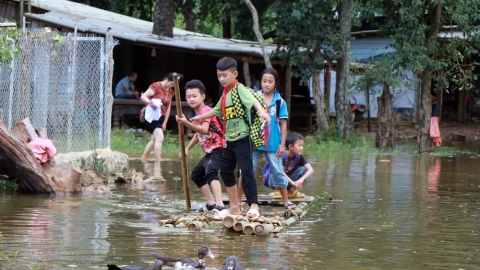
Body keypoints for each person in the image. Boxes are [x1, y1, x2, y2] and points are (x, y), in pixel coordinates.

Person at [191, 57, 270, 220]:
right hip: (228, 140)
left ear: (235, 74)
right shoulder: (225, 94)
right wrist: (200, 118)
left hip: (242, 137)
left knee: (246, 170)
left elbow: (253, 100)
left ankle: (253, 205)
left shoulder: (238, 88)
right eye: (219, 75)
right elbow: (216, 111)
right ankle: (234, 207)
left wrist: (262, 112)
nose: (221, 79)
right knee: (226, 171)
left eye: (224, 75)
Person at [237, 68, 295, 210]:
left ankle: (285, 201)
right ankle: (237, 200)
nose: (267, 84)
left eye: (270, 81)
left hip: (274, 143)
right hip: (255, 142)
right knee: (246, 170)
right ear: (260, 82)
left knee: (278, 171)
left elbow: (283, 123)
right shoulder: (254, 98)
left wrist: (283, 144)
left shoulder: (279, 102)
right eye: (264, 81)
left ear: (276, 84)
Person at [175, 79, 226, 212]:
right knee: (197, 174)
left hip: (219, 148)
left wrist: (185, 123)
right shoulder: (198, 113)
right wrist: (187, 148)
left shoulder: (205, 110)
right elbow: (199, 135)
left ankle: (220, 204)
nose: (191, 99)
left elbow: (203, 129)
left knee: (210, 172)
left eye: (194, 96)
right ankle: (210, 203)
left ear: (203, 96)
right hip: (210, 151)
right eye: (188, 97)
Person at [140, 73, 183, 161]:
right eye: (171, 84)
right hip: (152, 115)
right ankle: (158, 161)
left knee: (154, 139)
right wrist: (150, 103)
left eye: (173, 85)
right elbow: (143, 96)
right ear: (166, 79)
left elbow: (168, 107)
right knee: (160, 137)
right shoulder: (156, 86)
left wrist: (165, 122)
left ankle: (143, 158)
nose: (172, 86)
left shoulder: (171, 91)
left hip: (161, 116)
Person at [283, 132, 314, 197]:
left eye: (302, 145)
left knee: (304, 169)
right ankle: (277, 192)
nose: (302, 148)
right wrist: (292, 182)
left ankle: (292, 191)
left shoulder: (299, 156)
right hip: (275, 181)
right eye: (299, 145)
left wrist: (301, 180)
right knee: (277, 172)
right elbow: (280, 172)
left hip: (289, 180)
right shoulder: (282, 155)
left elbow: (310, 170)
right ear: (290, 146)